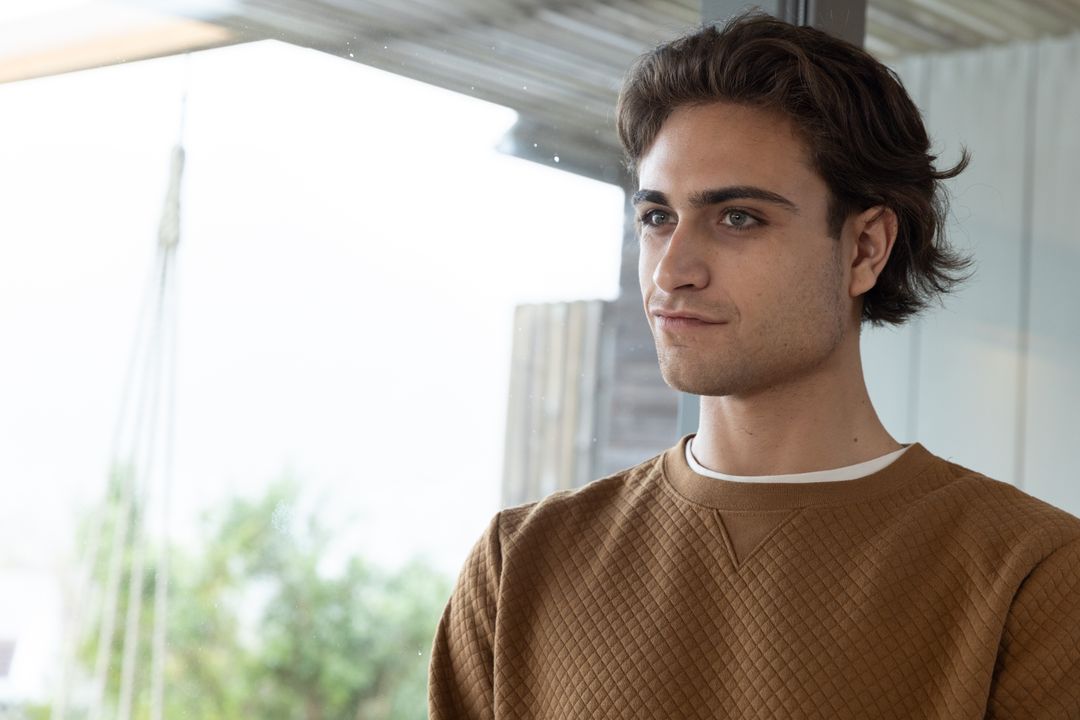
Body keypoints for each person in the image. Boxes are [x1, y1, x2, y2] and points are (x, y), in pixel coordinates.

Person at [428, 12, 1080, 718]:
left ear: (866, 249)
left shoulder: (1033, 576)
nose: (672, 270)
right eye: (656, 218)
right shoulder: (521, 565)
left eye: (737, 217)